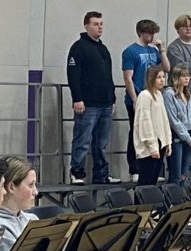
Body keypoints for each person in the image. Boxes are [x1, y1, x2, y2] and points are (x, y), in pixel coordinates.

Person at [67, 11, 119, 185]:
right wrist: (77, 98)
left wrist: (112, 99)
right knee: (82, 140)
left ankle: (101, 174)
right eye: (96, 24)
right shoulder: (79, 47)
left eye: (101, 24)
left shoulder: (103, 49)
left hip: (105, 104)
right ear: (86, 26)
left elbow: (108, 76)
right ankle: (77, 172)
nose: (100, 27)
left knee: (101, 143)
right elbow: (73, 74)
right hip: (88, 104)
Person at [121, 20, 169, 180]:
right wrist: (134, 99)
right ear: (141, 32)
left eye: (153, 33)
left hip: (152, 96)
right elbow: (128, 77)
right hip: (139, 95)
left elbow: (167, 68)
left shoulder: (154, 51)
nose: (152, 36)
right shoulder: (130, 51)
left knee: (155, 129)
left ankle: (154, 165)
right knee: (137, 131)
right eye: (149, 33)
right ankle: (134, 168)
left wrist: (161, 50)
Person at [132, 65, 172, 186]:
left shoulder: (159, 95)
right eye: (158, 77)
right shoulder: (145, 95)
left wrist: (167, 142)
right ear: (151, 79)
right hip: (148, 146)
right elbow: (145, 122)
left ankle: (151, 205)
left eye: (163, 77)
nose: (162, 80)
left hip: (160, 143)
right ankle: (140, 205)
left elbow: (164, 120)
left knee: (153, 182)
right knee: (145, 183)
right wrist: (152, 145)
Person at [163, 66, 191, 185]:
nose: (187, 78)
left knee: (184, 175)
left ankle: (183, 201)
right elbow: (174, 120)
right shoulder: (169, 93)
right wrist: (188, 139)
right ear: (175, 78)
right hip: (177, 136)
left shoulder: (188, 95)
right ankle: (173, 202)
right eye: (183, 76)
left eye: (188, 76)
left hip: (189, 136)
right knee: (176, 174)